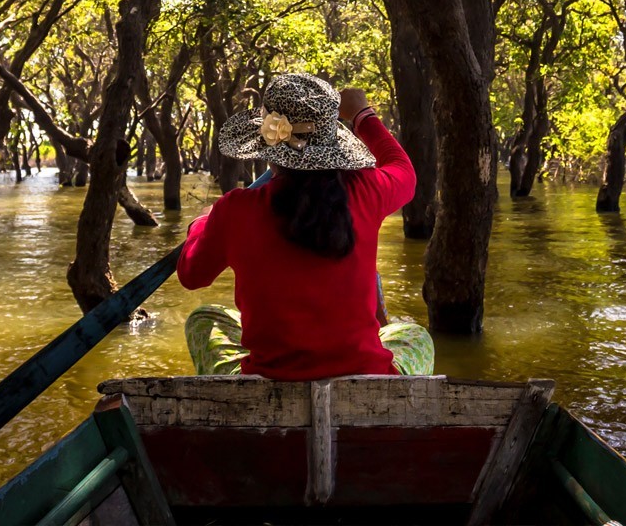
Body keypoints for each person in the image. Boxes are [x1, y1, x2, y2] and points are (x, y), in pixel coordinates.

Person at [177, 73, 435, 379]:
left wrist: (202, 222)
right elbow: (404, 171)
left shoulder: (234, 209)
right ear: (332, 141)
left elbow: (191, 275)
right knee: (416, 335)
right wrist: (362, 115)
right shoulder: (367, 189)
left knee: (204, 318)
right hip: (368, 377)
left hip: (268, 384)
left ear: (266, 143)